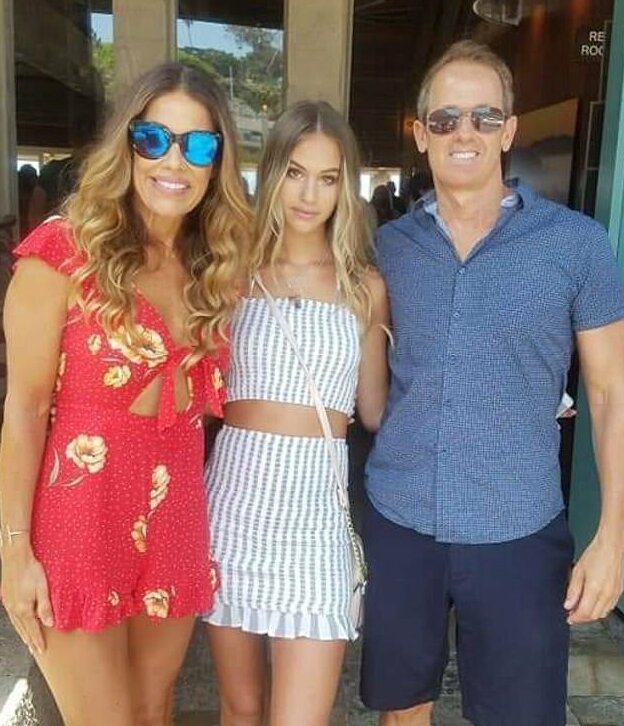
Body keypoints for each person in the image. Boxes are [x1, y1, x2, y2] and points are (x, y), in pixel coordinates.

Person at [361, 40, 624, 726]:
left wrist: (614, 537)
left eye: (484, 116)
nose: (465, 133)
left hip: (519, 526)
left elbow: (610, 392)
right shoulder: (390, 249)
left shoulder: (577, 245)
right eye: (445, 119)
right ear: (421, 134)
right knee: (401, 710)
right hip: (402, 518)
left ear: (509, 130)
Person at [0, 62, 252, 725]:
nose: (175, 161)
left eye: (198, 145)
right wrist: (13, 552)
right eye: (155, 139)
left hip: (176, 516)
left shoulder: (214, 269)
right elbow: (24, 410)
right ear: (128, 144)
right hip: (79, 518)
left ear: (218, 162)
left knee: (151, 710)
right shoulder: (61, 253)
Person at [203, 100, 389, 725]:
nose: (310, 195)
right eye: (295, 173)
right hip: (233, 507)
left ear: (345, 186)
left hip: (316, 517)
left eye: (328, 178)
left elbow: (374, 410)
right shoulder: (231, 270)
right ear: (272, 174)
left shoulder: (363, 285)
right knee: (240, 708)